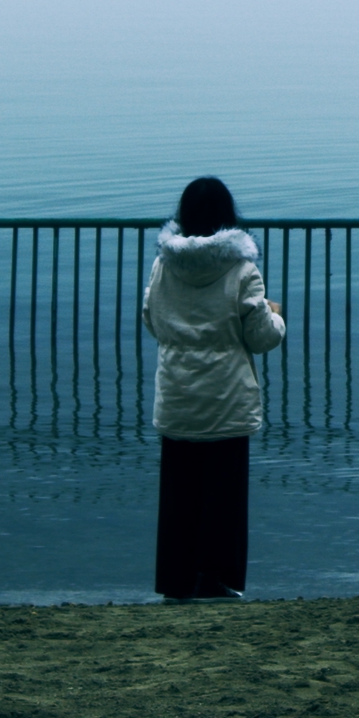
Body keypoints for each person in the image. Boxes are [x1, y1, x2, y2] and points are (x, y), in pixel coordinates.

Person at [140, 176, 286, 600]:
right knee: (224, 496)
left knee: (178, 496)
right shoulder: (242, 271)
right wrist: (276, 315)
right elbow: (261, 337)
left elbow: (152, 320)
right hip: (226, 400)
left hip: (178, 395)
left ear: (184, 216)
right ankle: (218, 581)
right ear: (227, 217)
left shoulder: (163, 266)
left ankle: (175, 582)